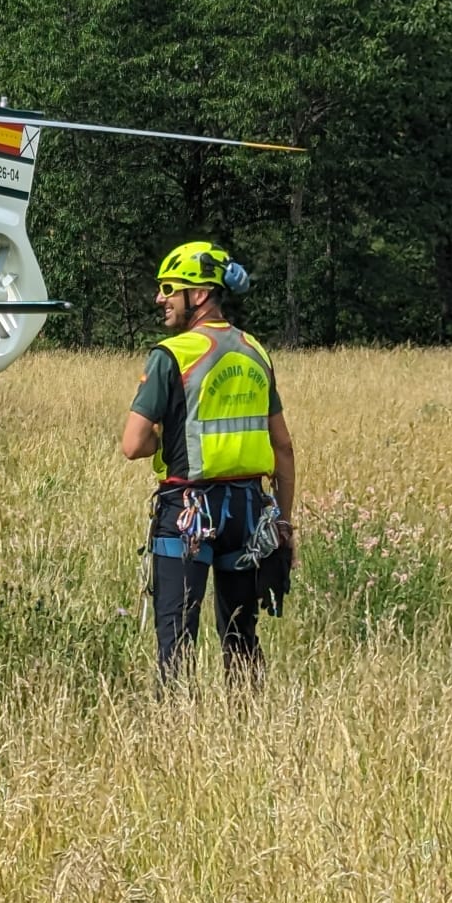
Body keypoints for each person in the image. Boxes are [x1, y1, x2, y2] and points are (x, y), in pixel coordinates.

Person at [120, 241, 296, 684]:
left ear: (198, 295)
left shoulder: (171, 355)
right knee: (241, 636)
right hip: (250, 514)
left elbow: (133, 443)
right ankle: (246, 729)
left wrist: (168, 431)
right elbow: (283, 448)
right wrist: (285, 525)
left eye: (168, 288)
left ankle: (177, 739)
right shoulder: (256, 351)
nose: (159, 298)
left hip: (188, 514)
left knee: (176, 642)